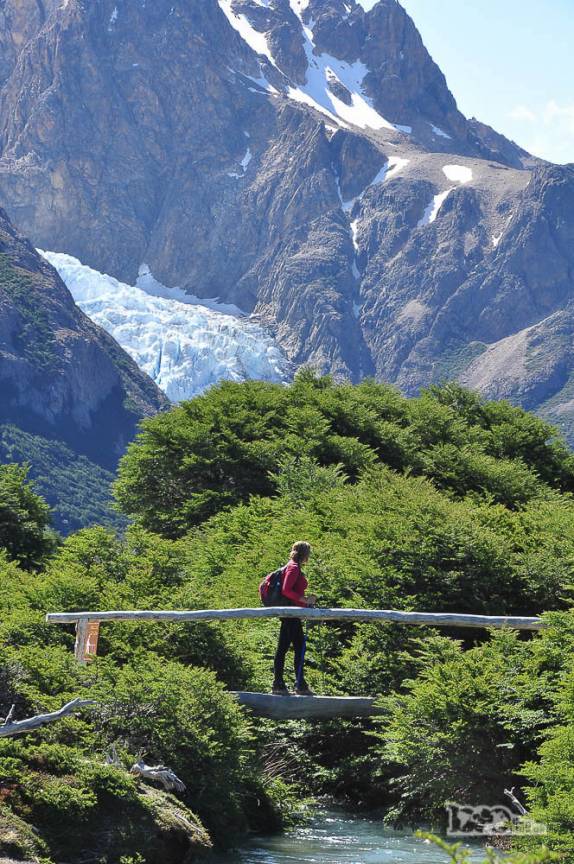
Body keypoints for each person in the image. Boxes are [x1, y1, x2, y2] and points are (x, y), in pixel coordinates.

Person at [272, 541, 317, 696]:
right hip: (290, 614)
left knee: (291, 647)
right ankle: (290, 684)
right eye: (308, 553)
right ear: (304, 553)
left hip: (292, 613)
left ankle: (287, 683)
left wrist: (303, 602)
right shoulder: (293, 567)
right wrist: (305, 600)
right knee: (294, 647)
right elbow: (286, 590)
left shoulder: (293, 566)